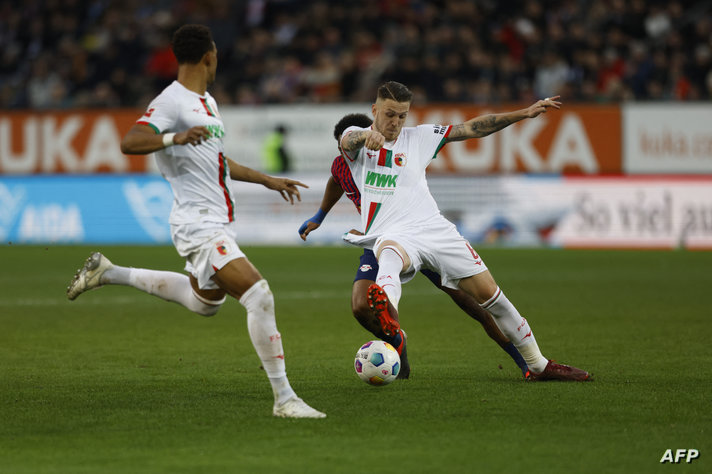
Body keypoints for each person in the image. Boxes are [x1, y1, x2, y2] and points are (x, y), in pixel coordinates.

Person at [66, 24, 326, 418]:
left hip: (217, 221)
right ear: (209, 56)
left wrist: (267, 180)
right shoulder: (171, 102)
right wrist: (174, 138)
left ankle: (109, 272)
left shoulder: (208, 103)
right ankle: (285, 399)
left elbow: (219, 162)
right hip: (197, 224)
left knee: (205, 303)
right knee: (259, 295)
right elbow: (130, 141)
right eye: (217, 55)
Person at [338, 81, 590, 381]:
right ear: (374, 110)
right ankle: (389, 313)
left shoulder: (420, 137)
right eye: (389, 114)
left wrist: (523, 113)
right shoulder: (358, 143)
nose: (395, 122)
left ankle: (539, 365)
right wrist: (367, 134)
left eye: (402, 116)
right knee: (389, 257)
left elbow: (473, 128)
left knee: (492, 297)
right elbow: (348, 140)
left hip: (435, 230)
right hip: (392, 233)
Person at [299, 113, 529, 379]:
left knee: (474, 305)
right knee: (361, 306)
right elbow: (336, 182)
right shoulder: (343, 165)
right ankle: (397, 341)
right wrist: (319, 216)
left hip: (421, 237)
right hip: (383, 241)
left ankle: (523, 361)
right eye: (346, 144)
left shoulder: (393, 158)